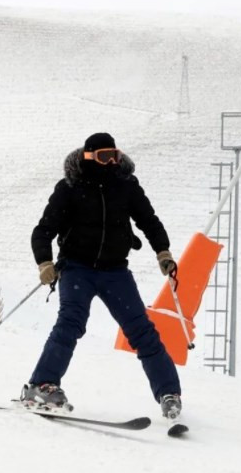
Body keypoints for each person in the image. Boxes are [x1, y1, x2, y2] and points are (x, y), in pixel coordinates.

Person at [20, 132, 183, 420]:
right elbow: (43, 230)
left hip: (115, 271)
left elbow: (149, 221)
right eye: (103, 157)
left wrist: (163, 252)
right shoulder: (70, 187)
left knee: (141, 330)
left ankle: (169, 394)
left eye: (114, 156)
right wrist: (44, 262)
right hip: (77, 268)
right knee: (71, 322)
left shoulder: (126, 185)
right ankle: (41, 385)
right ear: (88, 157)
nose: (110, 163)